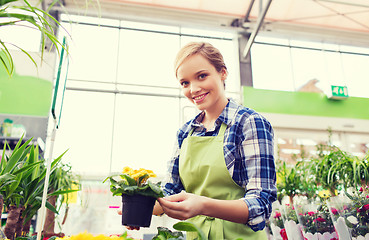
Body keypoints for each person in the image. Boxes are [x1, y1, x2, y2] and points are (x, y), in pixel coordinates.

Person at [127, 42, 277, 240]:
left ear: (222, 73)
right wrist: (139, 208)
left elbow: (261, 202)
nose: (194, 89)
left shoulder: (249, 123)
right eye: (185, 83)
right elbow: (170, 190)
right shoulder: (185, 132)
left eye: (202, 76)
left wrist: (204, 205)